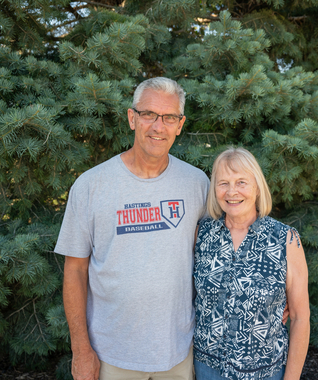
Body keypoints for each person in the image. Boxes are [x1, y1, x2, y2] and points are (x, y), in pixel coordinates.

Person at [54, 77, 210, 380]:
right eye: (148, 114)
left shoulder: (196, 184)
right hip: (111, 354)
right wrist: (81, 350)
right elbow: (74, 271)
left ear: (180, 125)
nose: (157, 126)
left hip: (178, 352)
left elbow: (213, 259)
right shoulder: (91, 186)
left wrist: (266, 301)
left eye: (169, 117)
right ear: (131, 118)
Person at [193, 147, 310, 380]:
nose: (232, 191)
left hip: (265, 373)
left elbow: (299, 317)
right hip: (208, 369)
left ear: (257, 187)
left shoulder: (285, 240)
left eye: (241, 182)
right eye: (223, 183)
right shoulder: (202, 235)